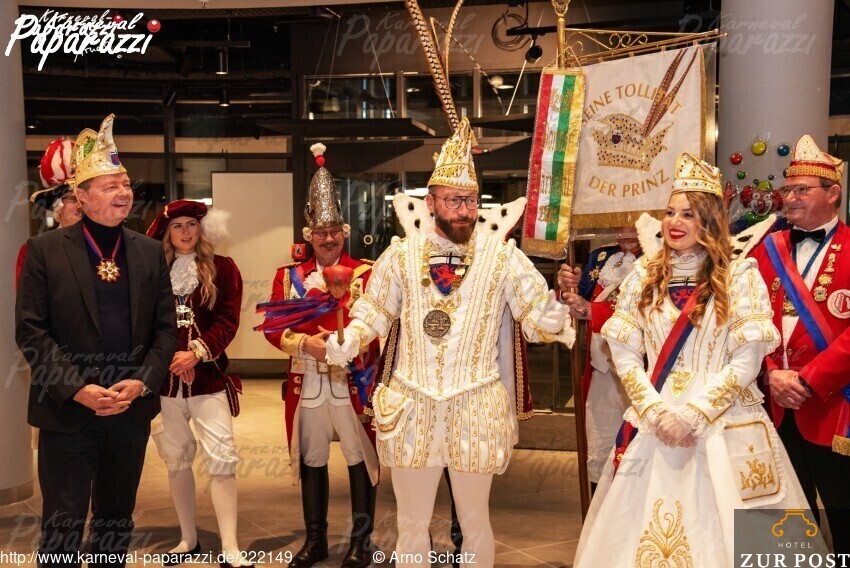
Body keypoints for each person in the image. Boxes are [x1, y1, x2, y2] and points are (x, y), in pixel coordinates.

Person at [326, 118, 574, 568]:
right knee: (411, 523)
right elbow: (373, 312)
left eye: (471, 201)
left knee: (475, 520)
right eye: (454, 201)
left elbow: (535, 315)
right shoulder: (400, 255)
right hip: (411, 404)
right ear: (431, 202)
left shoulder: (503, 257)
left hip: (475, 405)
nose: (464, 211)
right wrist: (351, 339)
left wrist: (553, 317)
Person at [572, 152, 813, 567]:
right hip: (656, 419)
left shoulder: (740, 276)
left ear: (710, 220)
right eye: (669, 212)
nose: (674, 221)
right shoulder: (642, 276)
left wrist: (694, 414)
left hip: (726, 421)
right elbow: (625, 356)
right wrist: (654, 411)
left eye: (688, 213)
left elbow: (747, 361)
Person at [15, 114, 177, 566]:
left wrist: (142, 383)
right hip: (67, 410)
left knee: (115, 520)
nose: (123, 192)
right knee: (62, 523)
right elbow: (30, 330)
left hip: (128, 410)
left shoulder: (148, 251)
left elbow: (166, 329)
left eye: (124, 184)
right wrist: (77, 389)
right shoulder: (45, 250)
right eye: (110, 186)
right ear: (81, 197)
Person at [260, 143, 380, 568]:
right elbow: (272, 328)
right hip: (306, 380)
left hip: (353, 382)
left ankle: (361, 543)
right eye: (320, 231)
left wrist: (353, 342)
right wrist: (304, 343)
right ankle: (315, 542)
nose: (328, 238)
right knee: (311, 458)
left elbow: (378, 324)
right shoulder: (287, 276)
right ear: (308, 234)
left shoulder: (367, 273)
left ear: (344, 231)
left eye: (334, 231)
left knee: (360, 459)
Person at [749, 135, 850, 552]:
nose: (789, 198)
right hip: (772, 406)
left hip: (833, 407)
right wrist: (770, 373)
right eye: (787, 189)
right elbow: (743, 322)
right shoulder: (763, 250)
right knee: (782, 523)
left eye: (801, 190)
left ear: (833, 193)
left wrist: (808, 380)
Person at [146, 200, 251, 567]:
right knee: (176, 459)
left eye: (192, 224)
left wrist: (196, 353)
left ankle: (231, 546)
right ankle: (188, 539)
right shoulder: (154, 272)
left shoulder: (224, 268)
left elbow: (228, 321)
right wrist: (171, 359)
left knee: (221, 458)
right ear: (167, 232)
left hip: (209, 380)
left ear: (201, 229)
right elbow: (146, 325)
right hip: (166, 384)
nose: (186, 232)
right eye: (177, 226)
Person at [557, 232, 642, 489]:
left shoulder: (660, 256)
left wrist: (594, 310)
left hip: (641, 372)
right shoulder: (600, 256)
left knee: (639, 451)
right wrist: (567, 289)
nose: (626, 227)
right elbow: (577, 299)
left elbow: (647, 310)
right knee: (598, 451)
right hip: (600, 370)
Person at [16, 138, 82, 289]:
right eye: (72, 199)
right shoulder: (35, 251)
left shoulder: (103, 246)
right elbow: (29, 300)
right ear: (58, 206)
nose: (80, 206)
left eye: (85, 199)